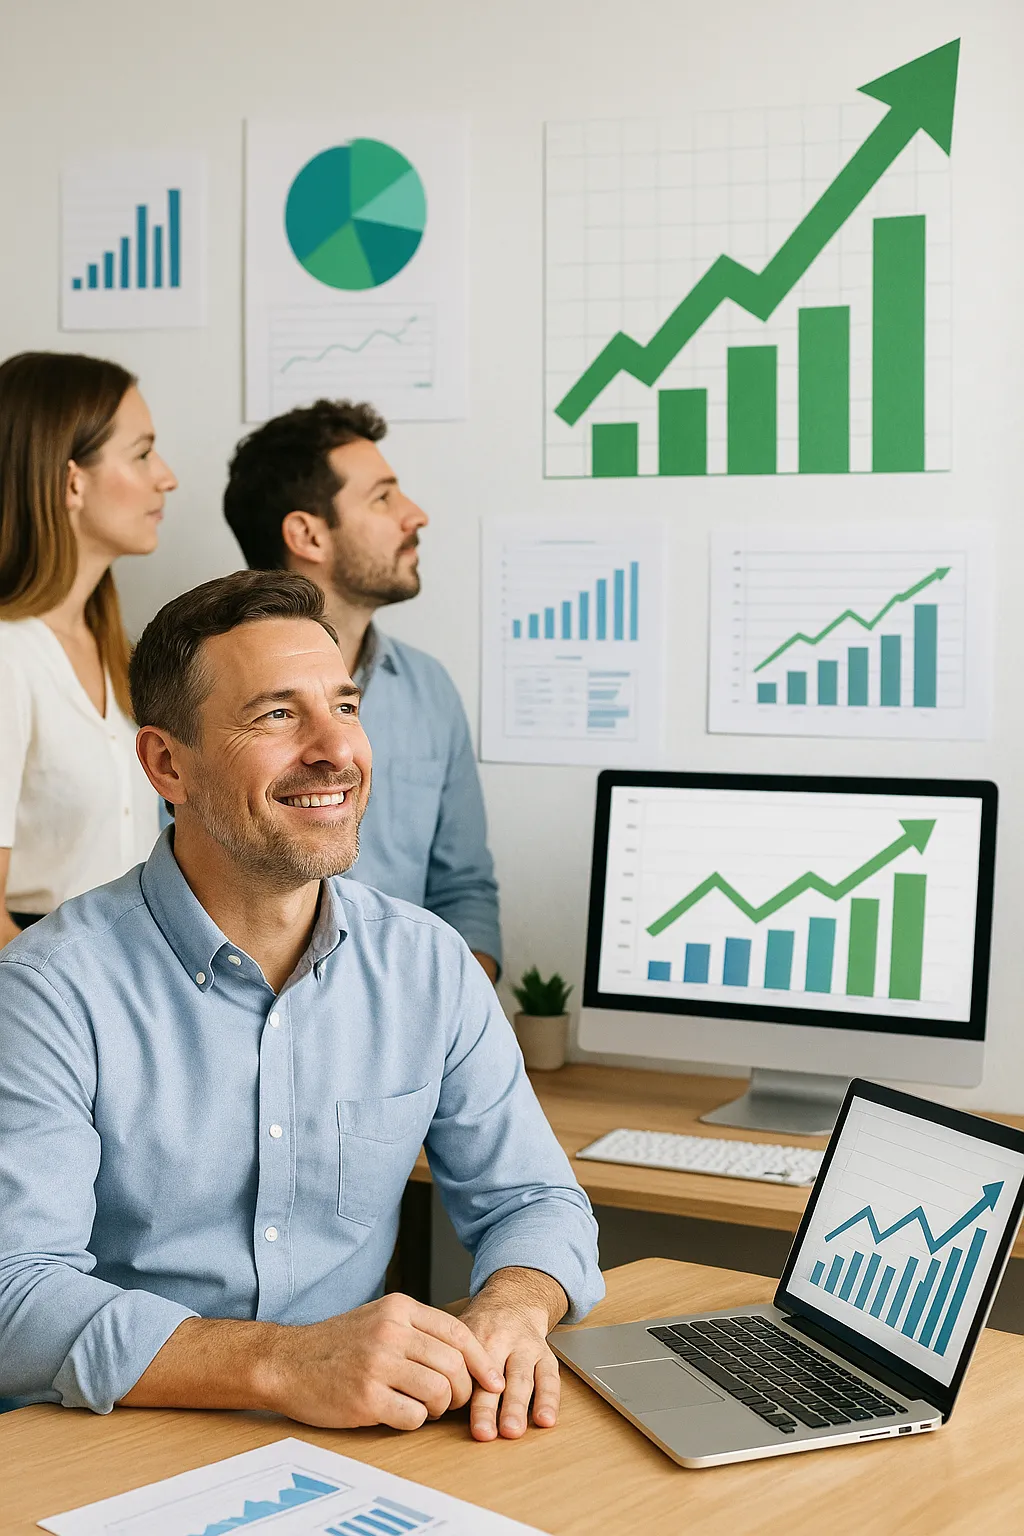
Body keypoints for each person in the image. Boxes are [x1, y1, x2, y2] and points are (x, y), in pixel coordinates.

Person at [0, 570, 602, 1436]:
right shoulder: (48, 991)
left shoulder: (429, 965)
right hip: (112, 1442)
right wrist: (284, 1363)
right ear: (167, 764)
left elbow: (534, 1200)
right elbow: (16, 1294)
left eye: (345, 707)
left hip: (349, 1442)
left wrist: (513, 1307)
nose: (334, 749)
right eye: (278, 714)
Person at [223, 401, 501, 981]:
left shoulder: (428, 690)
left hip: (412, 1015)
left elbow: (465, 892)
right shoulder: (201, 693)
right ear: (308, 535)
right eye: (382, 498)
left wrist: (449, 1008)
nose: (415, 515)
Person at [0, 351, 177, 948]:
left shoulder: (116, 654)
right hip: (43, 987)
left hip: (127, 972)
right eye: (142, 453)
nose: (166, 477)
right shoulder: (8, 658)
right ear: (72, 480)